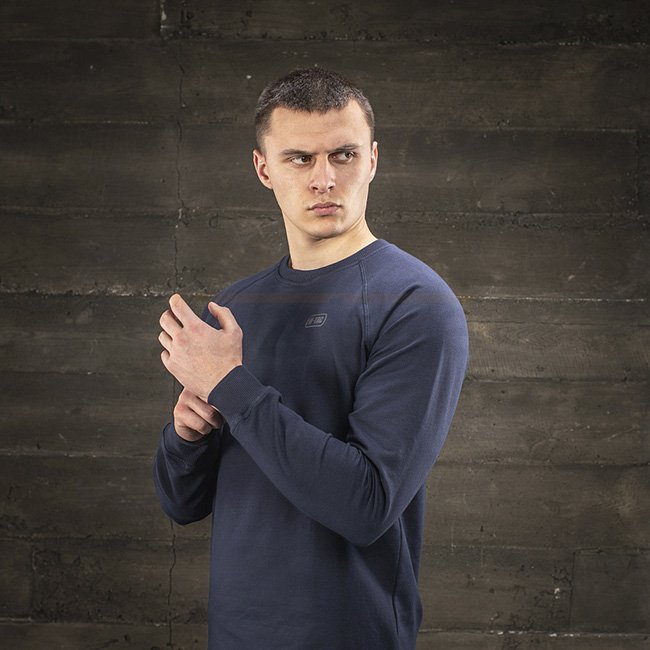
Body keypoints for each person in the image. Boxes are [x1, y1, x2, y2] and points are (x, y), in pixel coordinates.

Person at [154, 67, 469, 650]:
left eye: (343, 155)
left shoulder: (416, 303)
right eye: (300, 158)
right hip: (236, 632)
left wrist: (231, 386)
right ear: (263, 169)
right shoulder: (236, 307)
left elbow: (367, 505)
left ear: (372, 160)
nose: (325, 179)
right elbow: (182, 504)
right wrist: (186, 438)